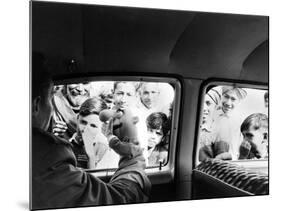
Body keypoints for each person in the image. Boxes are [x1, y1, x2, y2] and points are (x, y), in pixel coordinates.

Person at [31, 53, 151, 210]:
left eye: (93, 125)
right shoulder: (48, 156)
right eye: (50, 99)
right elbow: (120, 201)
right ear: (36, 105)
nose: (85, 129)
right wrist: (131, 154)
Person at [69, 97, 118, 169]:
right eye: (83, 122)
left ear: (102, 125)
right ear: (77, 118)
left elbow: (97, 179)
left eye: (93, 126)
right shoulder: (66, 144)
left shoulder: (106, 149)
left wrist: (91, 157)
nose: (85, 130)